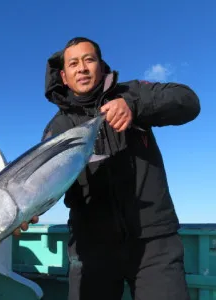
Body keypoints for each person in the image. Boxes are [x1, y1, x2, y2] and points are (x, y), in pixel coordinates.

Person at [14, 37, 200, 300]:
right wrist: (26, 209)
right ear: (64, 77)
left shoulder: (132, 93)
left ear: (101, 66)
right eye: (73, 63)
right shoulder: (56, 131)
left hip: (154, 242)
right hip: (92, 248)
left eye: (89, 60)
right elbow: (46, 185)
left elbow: (189, 101)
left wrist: (134, 106)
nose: (82, 68)